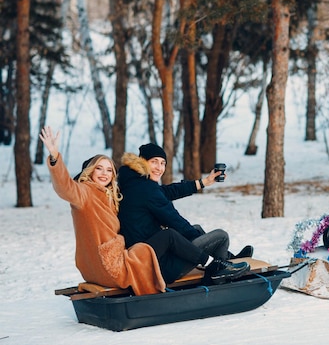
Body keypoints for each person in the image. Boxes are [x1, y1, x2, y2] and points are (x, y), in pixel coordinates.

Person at [39, 126, 165, 295]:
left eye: (109, 170)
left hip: (96, 266)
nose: (104, 174)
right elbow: (65, 187)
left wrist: (199, 183)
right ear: (91, 171)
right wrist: (55, 157)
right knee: (153, 246)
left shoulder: (111, 196)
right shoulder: (84, 192)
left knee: (148, 242)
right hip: (109, 266)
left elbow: (154, 194)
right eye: (99, 168)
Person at [117, 142, 251, 283]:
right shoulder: (146, 189)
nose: (159, 167)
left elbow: (169, 191)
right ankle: (218, 270)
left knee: (197, 229)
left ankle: (227, 259)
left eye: (163, 163)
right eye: (154, 162)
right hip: (159, 267)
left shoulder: (134, 184)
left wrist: (204, 182)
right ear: (142, 163)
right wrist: (204, 251)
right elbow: (175, 221)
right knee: (220, 236)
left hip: (150, 254)